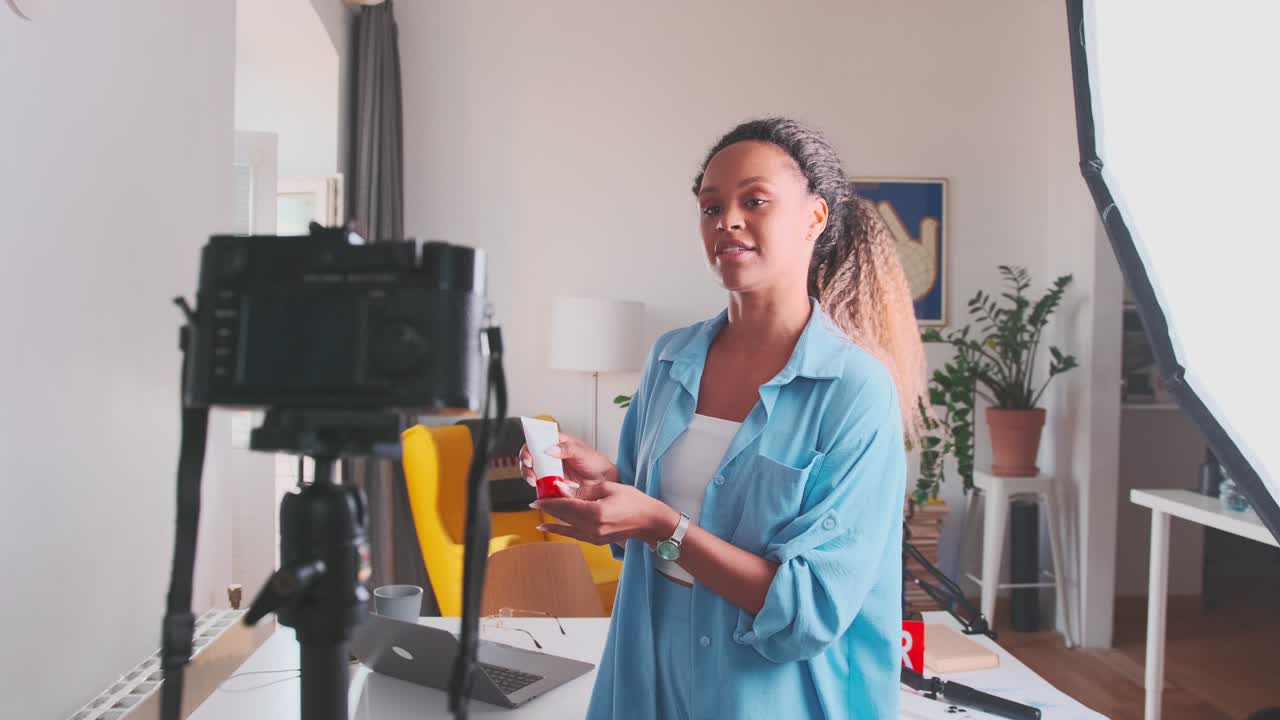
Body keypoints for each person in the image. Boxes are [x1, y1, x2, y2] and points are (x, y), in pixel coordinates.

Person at [521, 117, 927, 719]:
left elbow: (810, 607)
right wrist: (601, 483)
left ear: (814, 218)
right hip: (648, 678)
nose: (727, 221)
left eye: (754, 201)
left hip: (772, 697)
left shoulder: (854, 391)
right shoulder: (669, 359)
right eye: (711, 207)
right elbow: (647, 505)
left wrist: (663, 527)